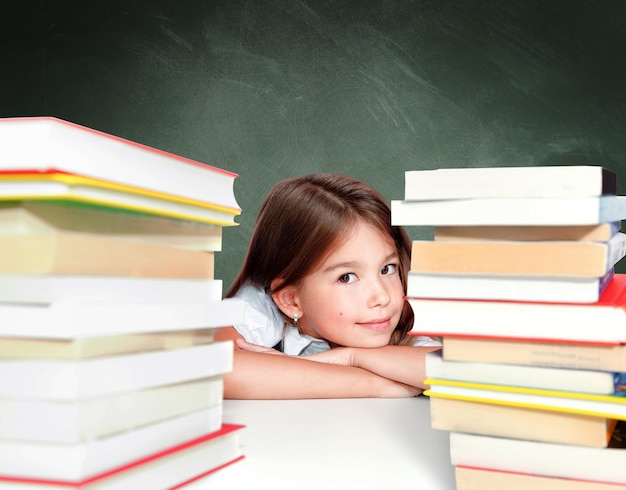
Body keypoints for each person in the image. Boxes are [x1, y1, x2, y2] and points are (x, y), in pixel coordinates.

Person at [215, 173, 441, 399]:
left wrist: (351, 358)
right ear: (290, 300)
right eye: (347, 277)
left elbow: (461, 370)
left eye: (387, 269)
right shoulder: (261, 306)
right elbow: (216, 367)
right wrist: (374, 384)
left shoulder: (404, 319)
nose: (382, 296)